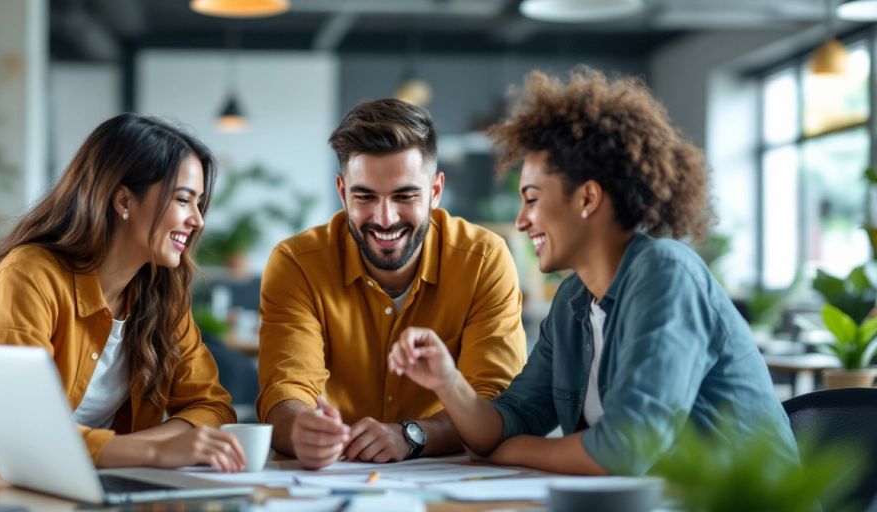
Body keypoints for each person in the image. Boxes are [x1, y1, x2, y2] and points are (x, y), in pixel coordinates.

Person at [388, 69, 799, 475]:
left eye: (532, 199)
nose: (521, 221)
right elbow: (501, 426)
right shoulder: (572, 301)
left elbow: (624, 450)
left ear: (587, 197)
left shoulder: (664, 274)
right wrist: (447, 381)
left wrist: (512, 452)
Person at [0, 113, 247, 472]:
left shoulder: (160, 293)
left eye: (199, 203)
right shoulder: (30, 275)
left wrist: (131, 449)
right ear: (124, 201)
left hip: (81, 482)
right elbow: (15, 434)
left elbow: (212, 406)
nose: (198, 220)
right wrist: (155, 452)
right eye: (184, 200)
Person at [257, 98, 527, 469]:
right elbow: (285, 391)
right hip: (330, 477)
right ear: (342, 191)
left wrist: (413, 435)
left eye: (405, 196)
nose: (385, 218)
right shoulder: (296, 264)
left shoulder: (483, 260)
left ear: (435, 191)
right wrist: (300, 427)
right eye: (365, 196)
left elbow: (495, 407)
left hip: (445, 484)